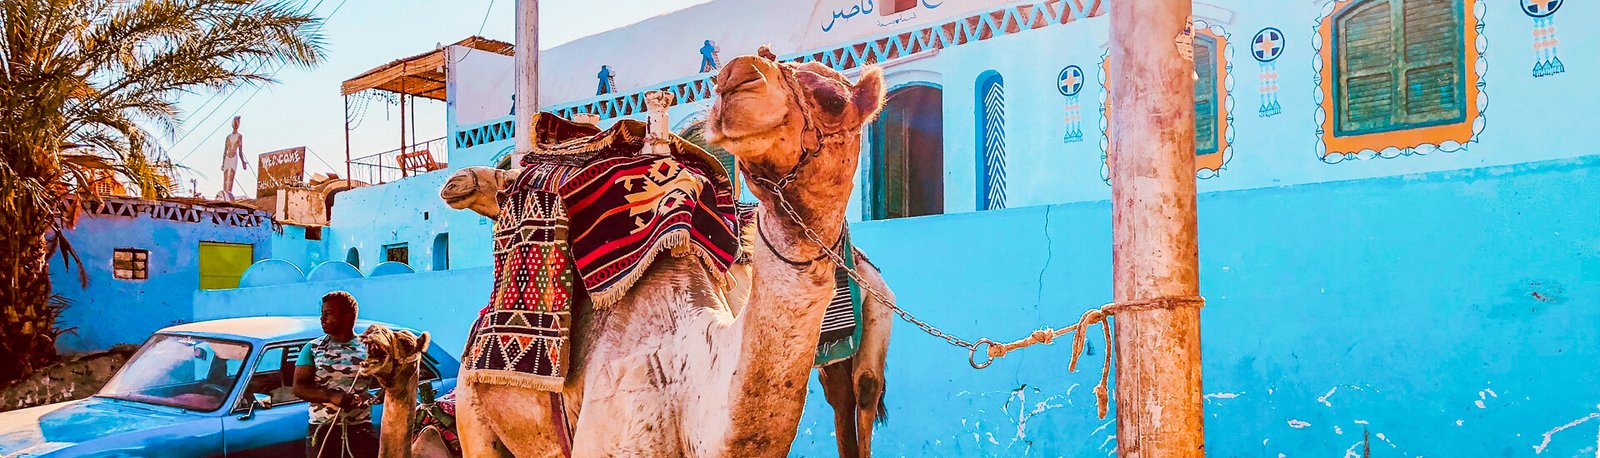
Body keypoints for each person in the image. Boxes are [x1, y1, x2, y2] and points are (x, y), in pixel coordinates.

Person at [293, 291, 378, 458]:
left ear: (347, 316)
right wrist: (331, 396)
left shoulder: (369, 348)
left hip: (360, 430)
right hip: (321, 430)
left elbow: (387, 385)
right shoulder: (313, 348)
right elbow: (299, 388)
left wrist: (366, 397)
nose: (322, 319)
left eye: (328, 314)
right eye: (322, 314)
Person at [218, 116, 247, 201]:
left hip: (232, 157)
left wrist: (243, 162)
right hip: (228, 157)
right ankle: (225, 195)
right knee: (226, 177)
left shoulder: (239, 136)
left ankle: (228, 194)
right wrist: (223, 163)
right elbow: (225, 151)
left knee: (230, 177)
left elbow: (240, 152)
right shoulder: (229, 137)